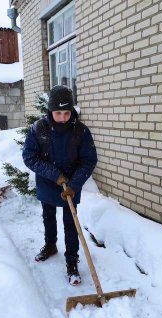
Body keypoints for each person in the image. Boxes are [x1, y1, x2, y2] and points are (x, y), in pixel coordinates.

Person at [22, 85, 97, 286]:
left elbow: (89, 160)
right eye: (58, 113)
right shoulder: (39, 129)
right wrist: (55, 175)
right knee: (48, 216)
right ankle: (50, 245)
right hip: (48, 182)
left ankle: (72, 262)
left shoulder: (81, 131)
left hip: (72, 185)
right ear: (50, 111)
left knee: (71, 223)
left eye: (66, 112)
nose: (63, 117)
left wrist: (74, 184)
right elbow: (29, 157)